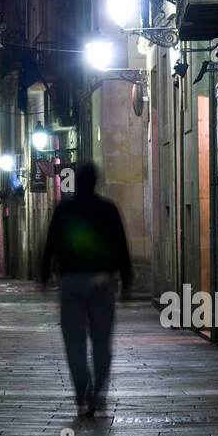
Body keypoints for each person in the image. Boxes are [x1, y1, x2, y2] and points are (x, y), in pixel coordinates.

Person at [40, 161, 132, 417]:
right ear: (96, 182)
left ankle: (82, 389)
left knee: (74, 341)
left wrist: (44, 274)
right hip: (102, 283)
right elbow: (121, 246)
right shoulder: (108, 210)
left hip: (71, 283)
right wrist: (127, 280)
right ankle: (98, 392)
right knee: (102, 341)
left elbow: (50, 244)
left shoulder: (64, 210)